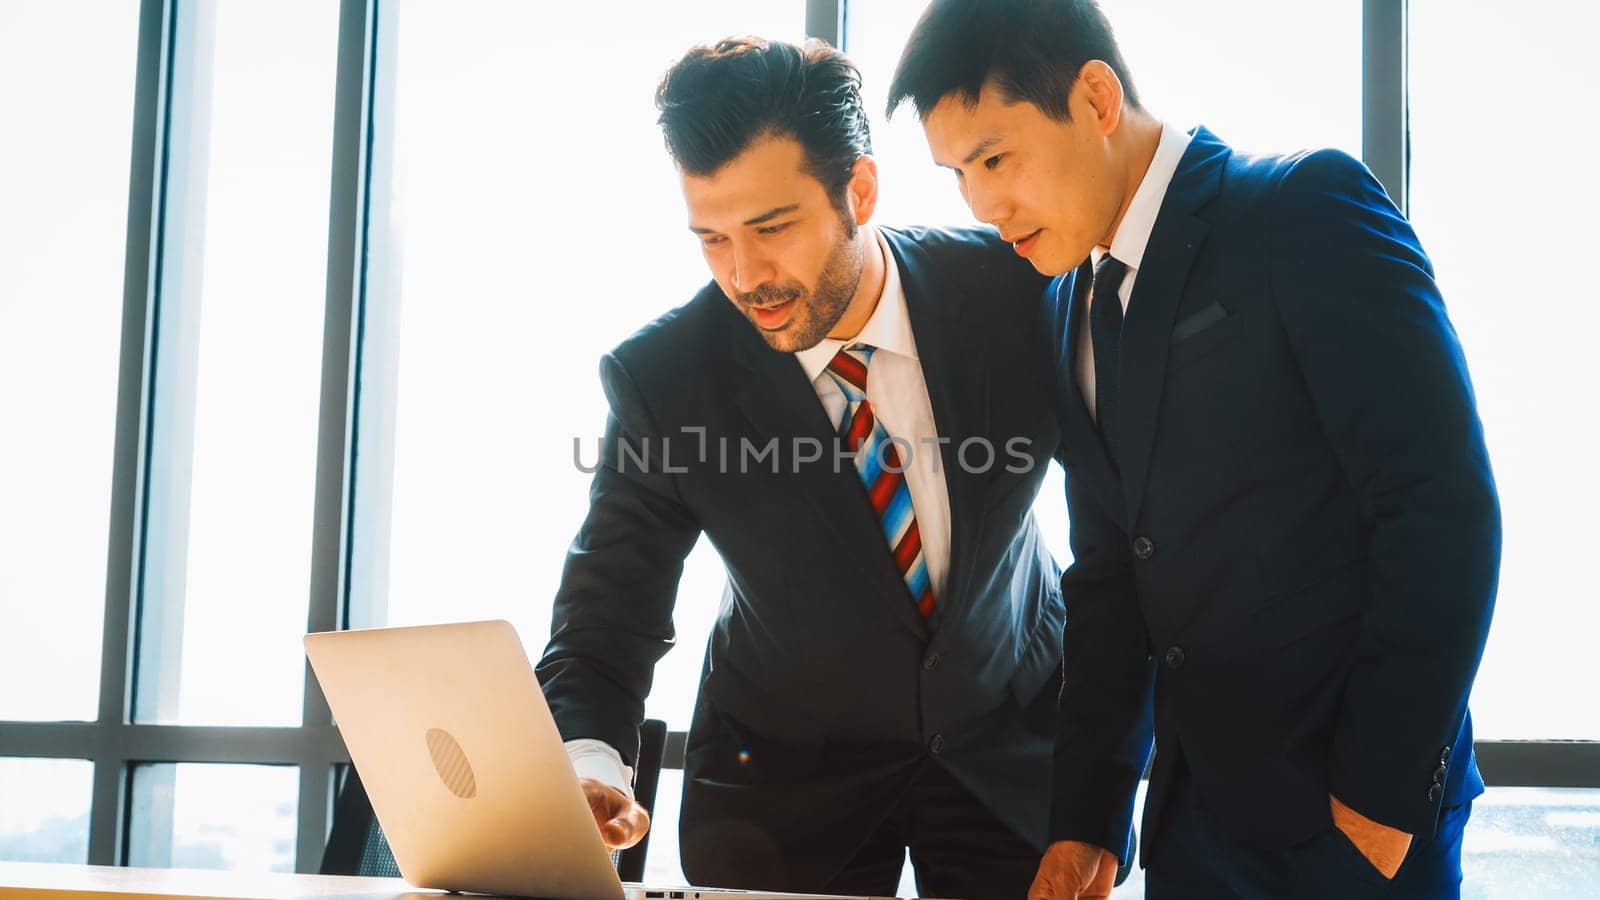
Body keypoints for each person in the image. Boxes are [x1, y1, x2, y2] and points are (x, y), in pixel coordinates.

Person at [887, 2, 1501, 898]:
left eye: (994, 158)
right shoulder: (1064, 306)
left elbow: (1442, 509)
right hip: (1190, 829)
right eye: (956, 175)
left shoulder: (1301, 208)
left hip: (1352, 821)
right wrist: (1088, 820)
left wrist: (1381, 794)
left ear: (1096, 97)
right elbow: (1107, 576)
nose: (983, 204)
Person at [536, 36, 1069, 898]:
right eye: (711, 239)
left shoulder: (1018, 295)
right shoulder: (667, 381)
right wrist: (589, 763)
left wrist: (1102, 783)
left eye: (772, 228)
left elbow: (1132, 528)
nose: (745, 276)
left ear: (859, 189)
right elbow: (604, 623)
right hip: (779, 798)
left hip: (1009, 768)